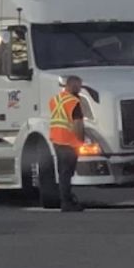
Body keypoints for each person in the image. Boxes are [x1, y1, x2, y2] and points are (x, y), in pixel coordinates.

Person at [48, 75, 87, 212]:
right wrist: (81, 141)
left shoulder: (55, 99)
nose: (80, 89)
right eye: (78, 86)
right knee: (67, 172)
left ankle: (66, 199)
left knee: (62, 172)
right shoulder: (74, 102)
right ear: (71, 86)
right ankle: (67, 202)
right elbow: (77, 124)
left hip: (56, 138)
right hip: (69, 141)